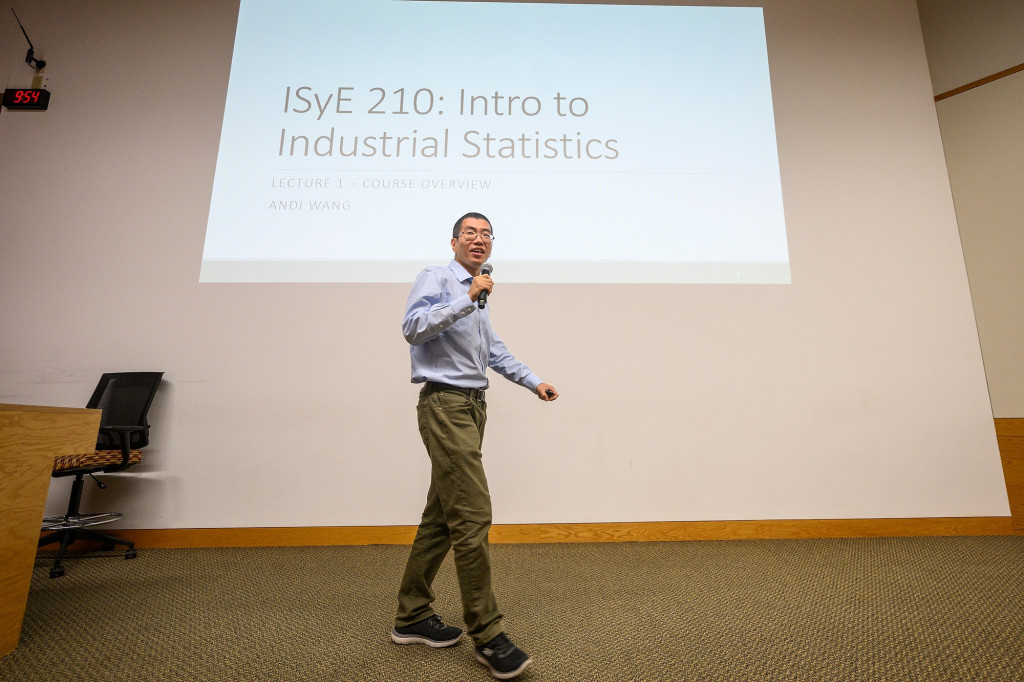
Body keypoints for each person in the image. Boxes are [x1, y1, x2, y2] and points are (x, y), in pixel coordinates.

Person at [391, 211, 558, 679]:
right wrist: (466, 298)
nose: (479, 239)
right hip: (444, 404)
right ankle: (488, 635)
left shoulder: (480, 294)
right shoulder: (441, 279)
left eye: (487, 234)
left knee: (442, 518)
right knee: (472, 515)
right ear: (453, 241)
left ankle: (411, 616)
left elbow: (494, 352)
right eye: (471, 233)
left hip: (471, 407)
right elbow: (413, 328)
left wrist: (533, 381)